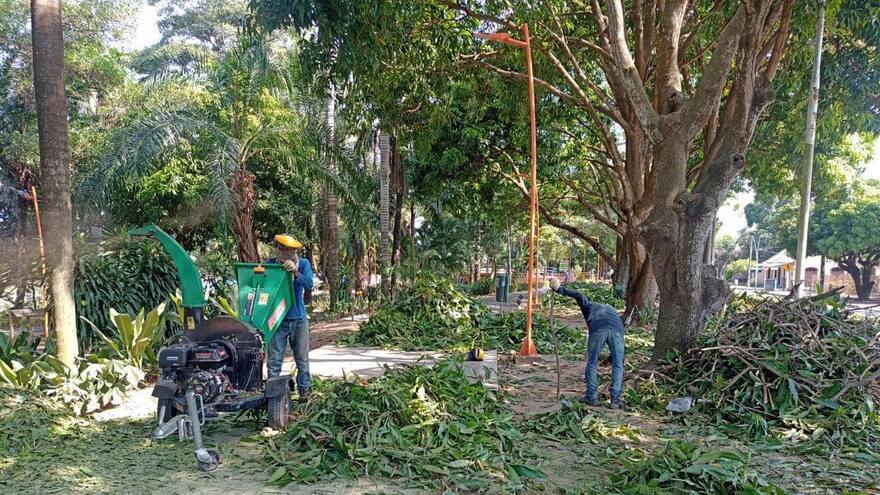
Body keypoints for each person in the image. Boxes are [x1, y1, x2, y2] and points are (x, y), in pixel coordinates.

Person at [549, 278, 625, 409]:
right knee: (618, 365)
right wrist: (608, 361)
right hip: (618, 331)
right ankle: (615, 401)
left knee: (592, 363)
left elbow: (579, 295)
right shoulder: (612, 311)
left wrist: (559, 289)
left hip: (598, 329)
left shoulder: (589, 306)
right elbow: (617, 351)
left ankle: (591, 397)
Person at [266, 234, 314, 400]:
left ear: (295, 251)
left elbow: (309, 284)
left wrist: (295, 273)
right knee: (274, 360)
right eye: (282, 249)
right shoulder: (271, 264)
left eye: (289, 250)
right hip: (277, 319)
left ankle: (304, 393)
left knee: (302, 359)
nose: (285, 252)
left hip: (298, 318)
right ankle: (273, 396)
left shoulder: (304, 264)